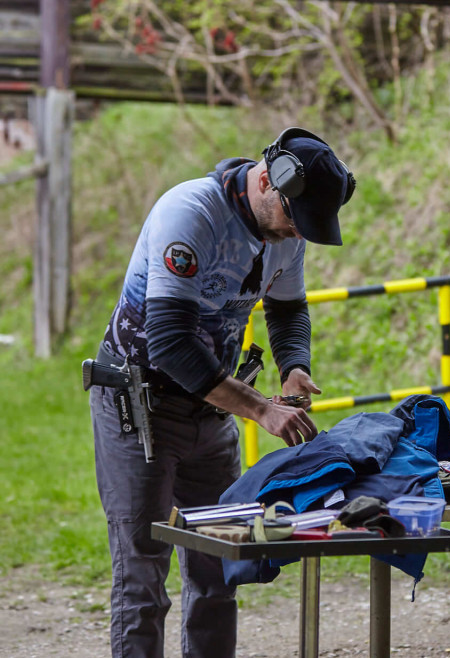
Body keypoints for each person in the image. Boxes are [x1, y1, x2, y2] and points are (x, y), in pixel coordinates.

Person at [88, 127, 356, 658]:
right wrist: (260, 410)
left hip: (211, 408)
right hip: (139, 407)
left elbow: (286, 308)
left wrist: (294, 367)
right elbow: (168, 341)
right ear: (266, 182)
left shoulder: (285, 232)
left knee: (219, 566)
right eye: (294, 222)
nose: (297, 236)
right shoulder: (190, 213)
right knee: (143, 573)